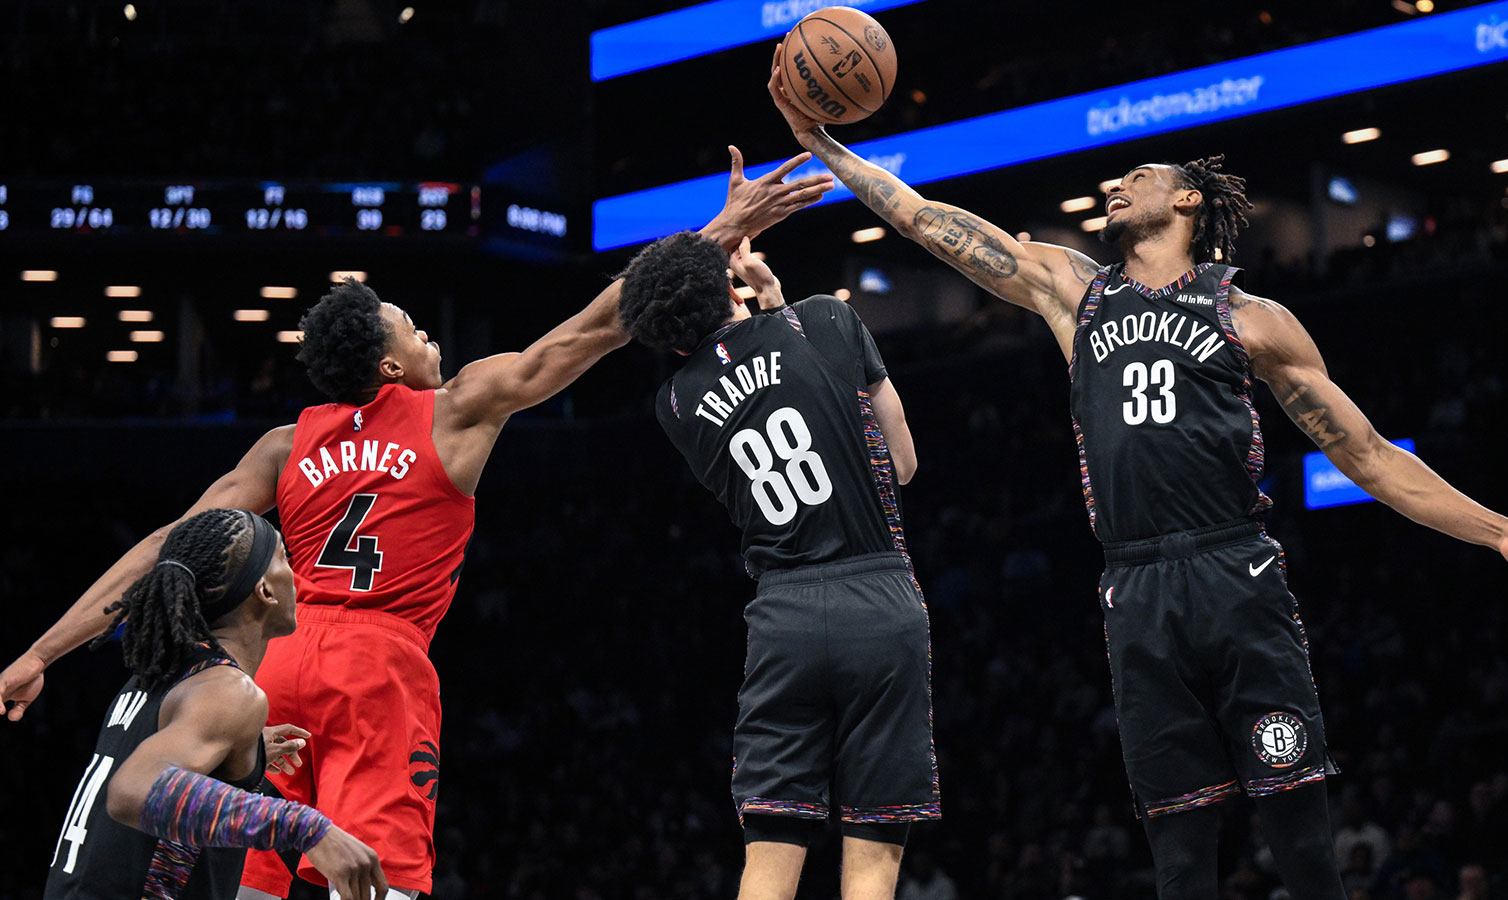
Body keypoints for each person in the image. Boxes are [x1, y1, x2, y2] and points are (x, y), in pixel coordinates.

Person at [766, 50, 1508, 900]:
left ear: (1188, 199)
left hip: (1237, 576)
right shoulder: (1072, 293)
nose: (1114, 187)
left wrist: (1501, 531)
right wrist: (825, 144)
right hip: (1136, 589)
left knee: (1302, 841)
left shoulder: (1252, 319)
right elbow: (919, 217)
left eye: (1136, 175)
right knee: (1181, 857)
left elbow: (1371, 456)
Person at [2, 148, 835, 900]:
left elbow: (164, 550)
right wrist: (716, 231)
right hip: (379, 662)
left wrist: (42, 652)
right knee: (379, 881)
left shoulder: (285, 443)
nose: (427, 329)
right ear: (392, 365)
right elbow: (594, 331)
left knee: (255, 877)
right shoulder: (454, 407)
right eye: (412, 324)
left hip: (274, 664)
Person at [618, 231, 934, 900]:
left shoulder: (672, 405)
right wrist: (772, 297)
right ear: (729, 287)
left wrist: (761, 304)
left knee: (772, 843)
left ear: (670, 341)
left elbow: (751, 372)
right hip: (877, 594)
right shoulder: (824, 318)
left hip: (782, 615)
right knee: (874, 841)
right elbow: (901, 463)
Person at [43, 508, 385, 900]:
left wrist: (243, 753)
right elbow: (132, 790)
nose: (297, 575)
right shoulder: (229, 692)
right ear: (265, 591)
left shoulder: (156, 676)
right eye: (284, 558)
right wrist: (304, 826)